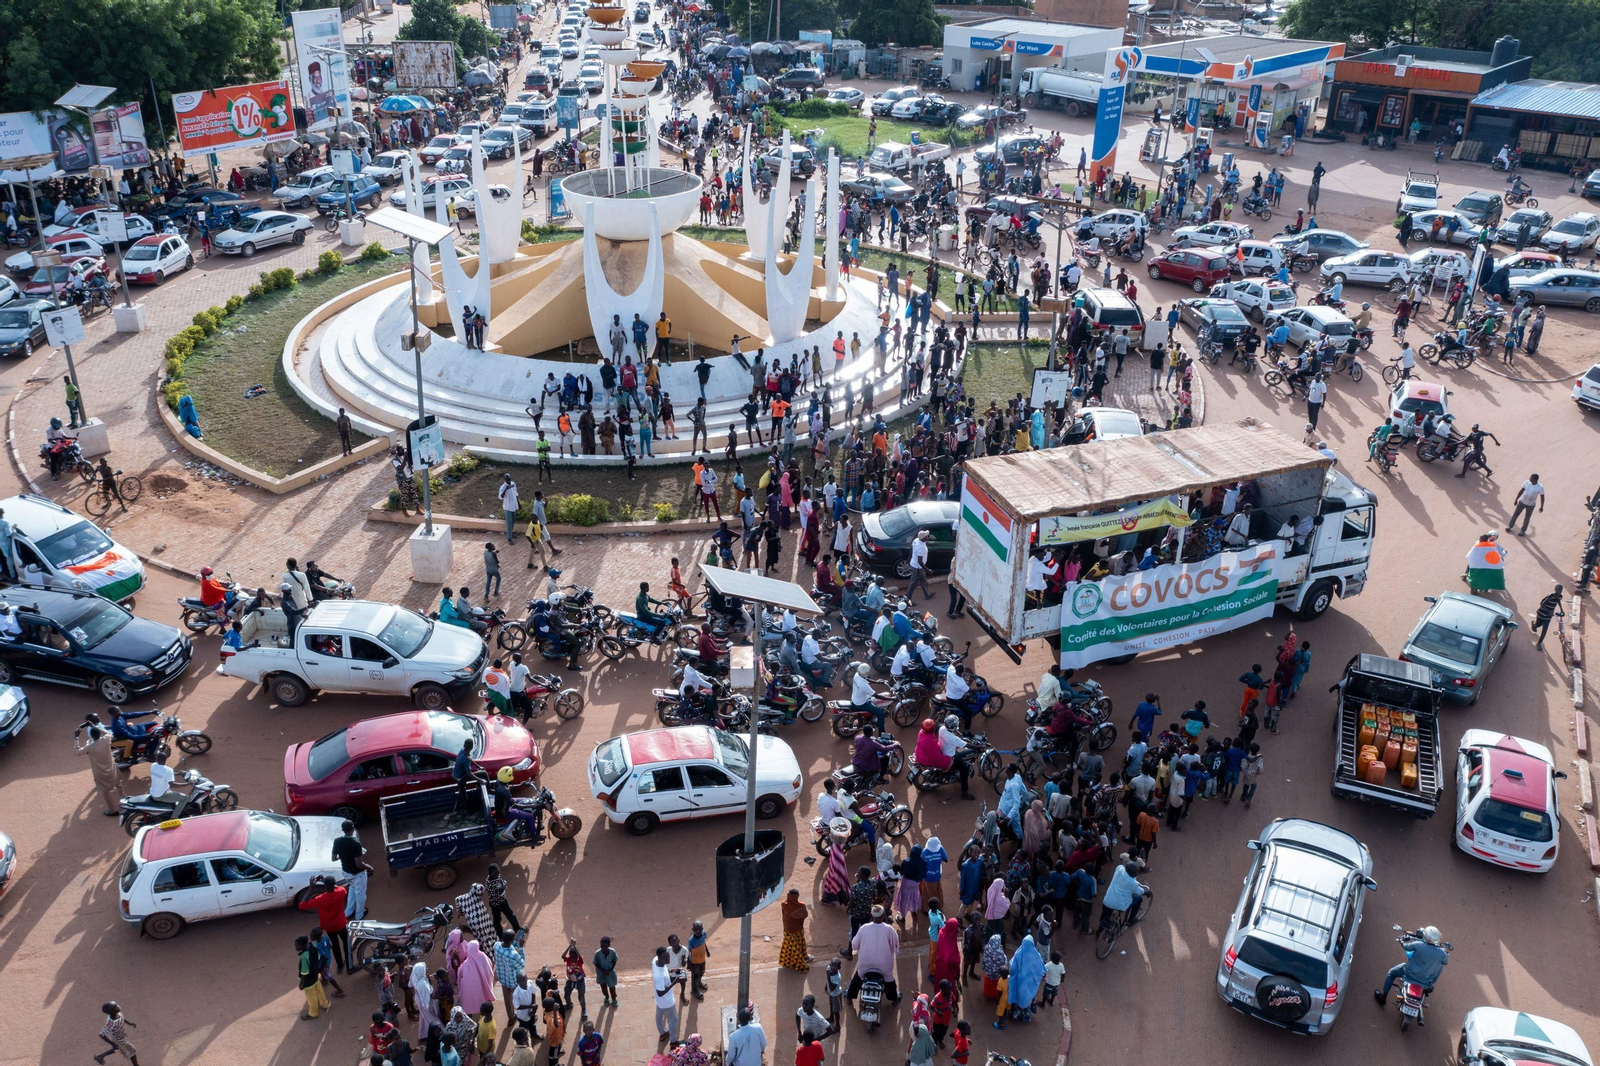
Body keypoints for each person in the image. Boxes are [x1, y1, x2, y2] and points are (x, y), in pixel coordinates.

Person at [1376, 925, 1450, 1008]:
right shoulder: (1441, 953)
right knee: (1440, 967)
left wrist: (1401, 940)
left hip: (1409, 973)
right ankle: (1429, 986)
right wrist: (1444, 952)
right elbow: (1445, 962)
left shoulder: (1418, 945)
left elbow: (1405, 946)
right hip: (1426, 981)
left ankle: (1384, 997)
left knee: (1391, 973)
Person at [1531, 584, 1565, 648]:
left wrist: (1561, 609)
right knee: (1538, 624)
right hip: (1541, 613)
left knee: (1544, 630)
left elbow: (1558, 601)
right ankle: (1534, 625)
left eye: (1560, 590)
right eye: (1558, 590)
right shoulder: (1550, 596)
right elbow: (1542, 603)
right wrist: (1549, 611)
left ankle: (1539, 643)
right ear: (1555, 590)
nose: (1559, 591)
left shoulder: (1560, 596)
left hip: (1548, 617)